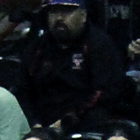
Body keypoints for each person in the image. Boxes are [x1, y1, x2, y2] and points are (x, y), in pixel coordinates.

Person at [18, 0, 129, 132]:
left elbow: (105, 93)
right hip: (42, 126)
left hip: (85, 123)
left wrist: (67, 122)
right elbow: (23, 91)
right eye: (54, 11)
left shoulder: (100, 45)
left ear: (83, 15)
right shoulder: (37, 48)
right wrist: (34, 123)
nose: (59, 18)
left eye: (67, 11)